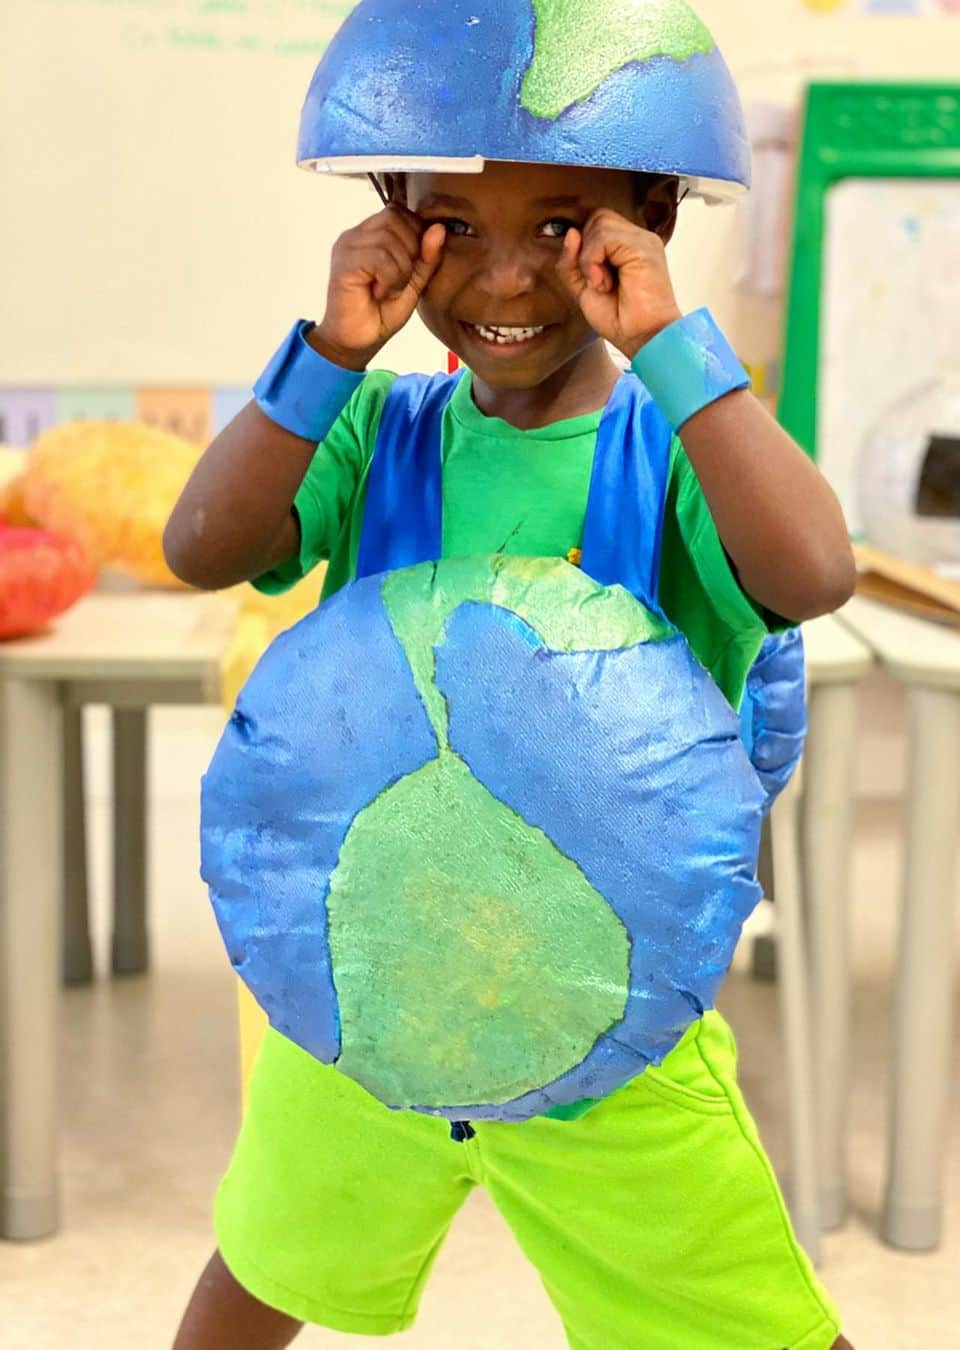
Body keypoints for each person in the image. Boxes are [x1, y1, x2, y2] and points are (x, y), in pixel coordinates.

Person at [165, 7, 856, 1346]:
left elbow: (814, 569)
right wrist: (332, 354)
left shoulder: (677, 449)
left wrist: (674, 345)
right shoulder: (373, 428)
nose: (500, 282)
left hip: (609, 1026)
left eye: (559, 227)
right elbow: (205, 546)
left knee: (749, 1322)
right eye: (452, 228)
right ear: (392, 222)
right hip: (370, 994)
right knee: (255, 1275)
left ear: (647, 220)